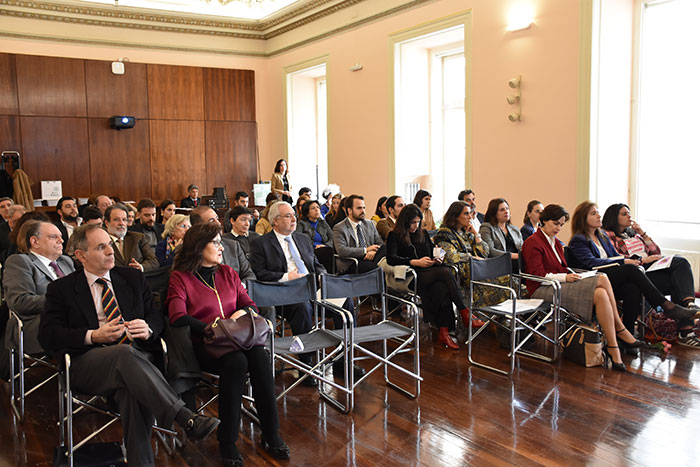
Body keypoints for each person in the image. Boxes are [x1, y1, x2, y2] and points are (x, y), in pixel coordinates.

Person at [38, 224, 220, 465]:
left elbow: (155, 315)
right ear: (81, 256)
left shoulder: (132, 278)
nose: (110, 252)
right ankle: (183, 416)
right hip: (87, 363)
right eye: (101, 247)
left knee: (131, 388)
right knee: (124, 355)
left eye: (110, 245)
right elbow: (48, 335)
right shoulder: (62, 289)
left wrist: (149, 328)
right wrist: (93, 335)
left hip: (138, 365)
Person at [167, 223, 289, 466]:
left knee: (260, 357)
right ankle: (228, 441)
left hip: (238, 338)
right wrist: (212, 328)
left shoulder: (228, 273)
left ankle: (271, 433)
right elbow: (177, 315)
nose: (221, 247)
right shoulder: (180, 277)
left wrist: (238, 316)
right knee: (236, 362)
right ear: (199, 247)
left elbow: (250, 305)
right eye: (215, 243)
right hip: (205, 344)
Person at [522, 204, 644, 371]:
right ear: (544, 221)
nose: (559, 228)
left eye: (561, 224)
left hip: (559, 284)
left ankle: (614, 348)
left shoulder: (555, 242)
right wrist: (566, 277)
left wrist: (568, 275)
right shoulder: (532, 242)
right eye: (556, 223)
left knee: (601, 293)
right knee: (602, 278)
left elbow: (563, 268)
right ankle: (621, 330)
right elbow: (538, 276)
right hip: (543, 288)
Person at [568, 201, 700, 344]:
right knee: (631, 269)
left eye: (598, 212)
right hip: (596, 278)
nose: (599, 216)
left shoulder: (602, 237)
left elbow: (615, 257)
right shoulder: (579, 239)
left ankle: (628, 337)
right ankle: (667, 306)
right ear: (583, 219)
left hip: (612, 276)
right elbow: (591, 263)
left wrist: (631, 259)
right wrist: (625, 262)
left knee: (633, 286)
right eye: (593, 213)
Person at [249, 201, 324, 382]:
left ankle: (341, 361)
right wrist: (286, 277)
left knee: (345, 302)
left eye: (294, 215)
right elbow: (260, 273)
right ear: (275, 220)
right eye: (288, 216)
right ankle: (307, 365)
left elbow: (316, 265)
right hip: (283, 293)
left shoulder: (303, 238)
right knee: (302, 308)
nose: (294, 219)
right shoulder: (261, 243)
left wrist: (323, 276)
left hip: (312, 287)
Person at [386, 204, 470, 350]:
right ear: (405, 222)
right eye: (412, 222)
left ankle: (444, 332)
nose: (415, 226)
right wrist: (414, 262)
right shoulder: (394, 235)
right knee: (444, 273)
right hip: (412, 275)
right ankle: (464, 312)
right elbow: (391, 259)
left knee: (442, 287)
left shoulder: (422, 234)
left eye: (418, 222)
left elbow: (432, 252)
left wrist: (437, 259)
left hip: (429, 272)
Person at [602, 203, 698, 311]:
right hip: (636, 271)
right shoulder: (607, 234)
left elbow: (656, 251)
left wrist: (642, 233)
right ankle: (688, 308)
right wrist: (643, 260)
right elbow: (617, 257)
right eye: (624, 214)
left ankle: (687, 315)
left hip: (651, 266)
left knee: (679, 267)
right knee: (679, 266)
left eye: (629, 213)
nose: (629, 216)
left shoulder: (634, 234)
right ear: (614, 217)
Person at [4, 220, 75, 355]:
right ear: (35, 242)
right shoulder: (20, 262)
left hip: (70, 321)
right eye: (53, 237)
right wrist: (61, 300)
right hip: (37, 326)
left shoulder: (66, 262)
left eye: (60, 236)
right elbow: (20, 301)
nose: (61, 240)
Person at [432, 201, 490, 324]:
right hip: (461, 273)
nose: (470, 217)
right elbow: (451, 256)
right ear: (455, 216)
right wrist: (471, 257)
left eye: (470, 213)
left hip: (476, 268)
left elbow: (484, 252)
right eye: (466, 214)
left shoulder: (465, 232)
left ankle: (496, 319)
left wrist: (476, 234)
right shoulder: (444, 234)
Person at [189, 206, 256, 283]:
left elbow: (249, 274)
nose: (218, 223)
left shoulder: (233, 246)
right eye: (211, 220)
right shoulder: (188, 249)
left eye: (217, 218)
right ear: (198, 226)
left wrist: (240, 287)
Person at [332, 195, 385, 274]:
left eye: (364, 208)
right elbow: (342, 250)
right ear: (349, 210)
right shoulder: (339, 228)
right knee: (378, 268)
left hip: (371, 258)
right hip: (352, 262)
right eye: (359, 208)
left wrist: (373, 252)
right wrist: (365, 250)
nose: (363, 211)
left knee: (386, 249)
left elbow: (380, 243)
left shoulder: (369, 224)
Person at [103, 204, 159, 272]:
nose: (121, 223)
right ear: (107, 223)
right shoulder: (102, 241)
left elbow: (154, 261)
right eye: (116, 220)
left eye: (124, 220)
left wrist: (141, 267)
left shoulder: (138, 238)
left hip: (137, 279)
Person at [479, 198, 523, 272]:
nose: (506, 212)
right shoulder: (486, 227)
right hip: (500, 263)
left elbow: (522, 247)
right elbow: (490, 251)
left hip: (518, 262)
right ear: (494, 213)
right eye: (502, 210)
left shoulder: (514, 229)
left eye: (507, 209)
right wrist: (514, 256)